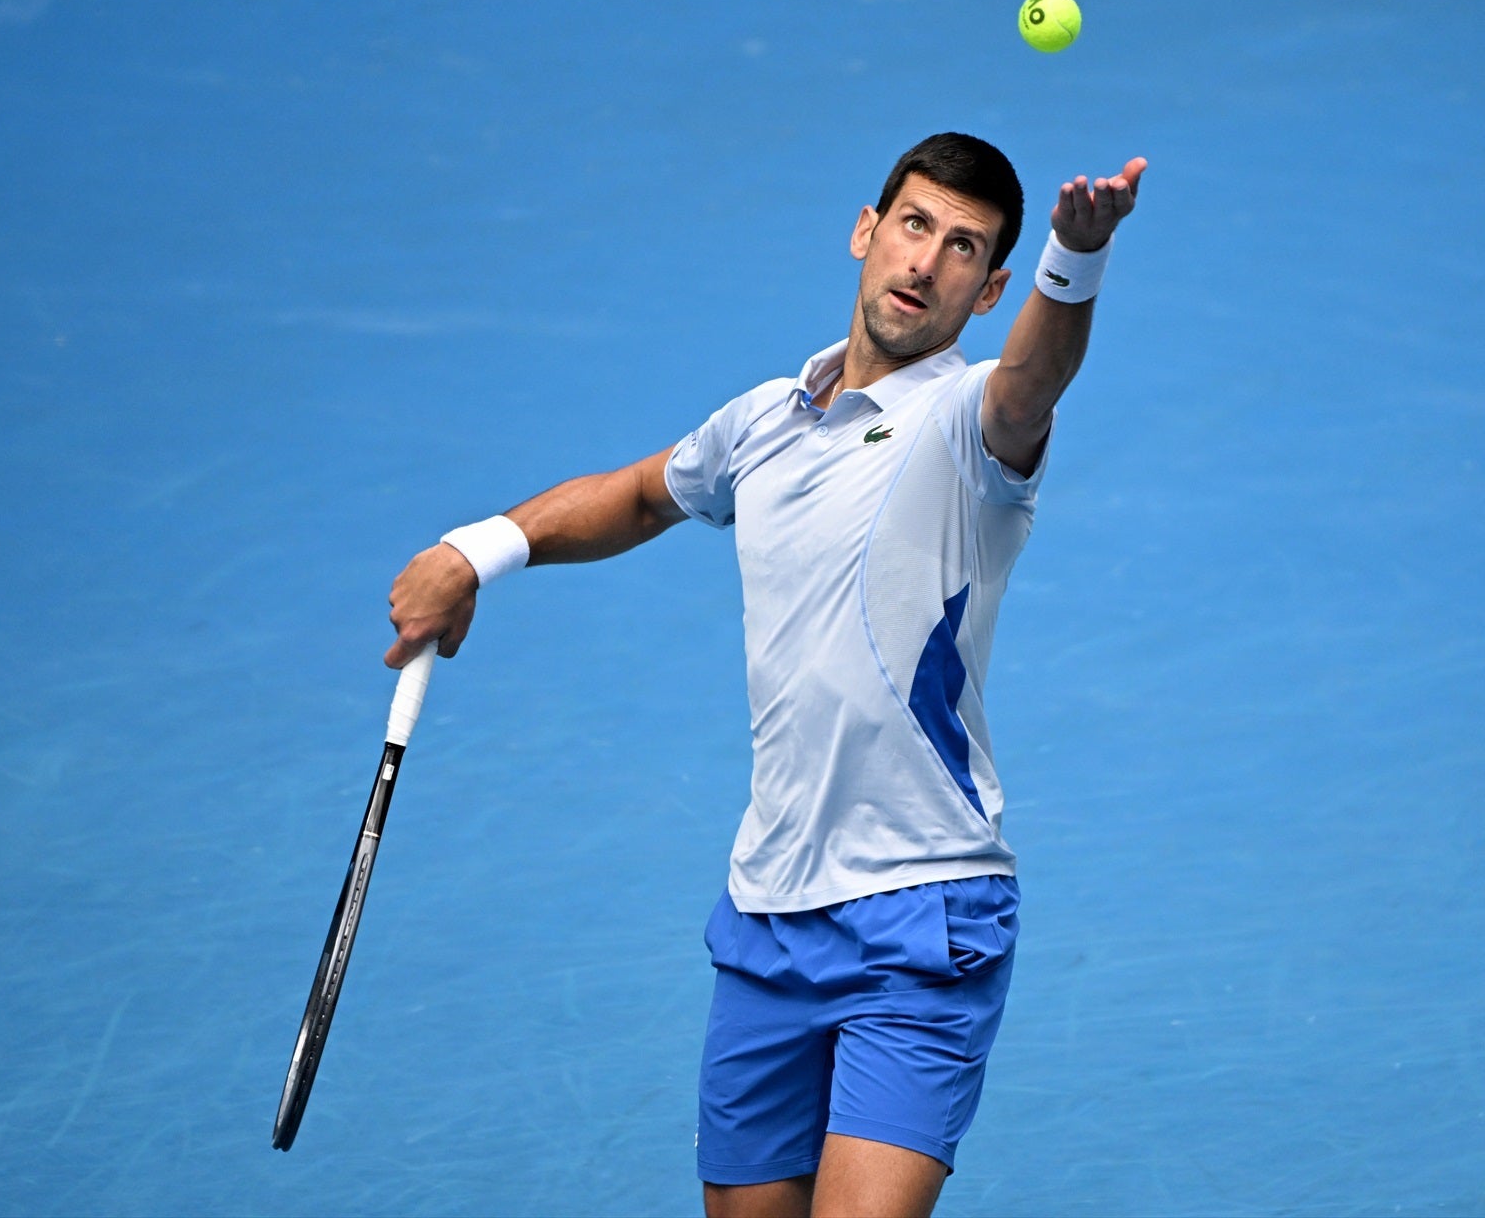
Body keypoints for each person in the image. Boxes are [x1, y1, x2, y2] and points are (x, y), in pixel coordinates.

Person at [384, 133, 1145, 1218]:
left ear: (988, 293)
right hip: (768, 912)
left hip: (923, 908)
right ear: (866, 231)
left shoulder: (968, 422)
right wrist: (479, 548)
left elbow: (1034, 382)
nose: (926, 262)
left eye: (964, 247)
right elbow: (642, 492)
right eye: (916, 225)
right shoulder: (763, 422)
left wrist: (1077, 260)